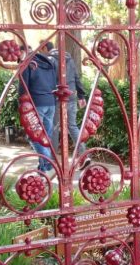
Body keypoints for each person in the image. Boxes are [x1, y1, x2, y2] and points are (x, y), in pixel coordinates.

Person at [20, 41, 58, 172]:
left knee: (34, 135)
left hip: (36, 103)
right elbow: (55, 83)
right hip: (50, 102)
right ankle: (44, 167)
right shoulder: (49, 62)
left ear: (22, 52)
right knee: (45, 137)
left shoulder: (28, 63)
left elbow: (24, 87)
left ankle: (48, 162)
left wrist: (22, 104)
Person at [51, 46, 89, 166]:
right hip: (71, 96)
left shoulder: (51, 60)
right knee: (72, 126)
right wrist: (82, 96)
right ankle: (83, 153)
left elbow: (50, 79)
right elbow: (77, 79)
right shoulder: (70, 60)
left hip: (57, 96)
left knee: (55, 126)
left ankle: (53, 157)